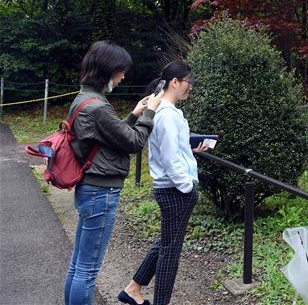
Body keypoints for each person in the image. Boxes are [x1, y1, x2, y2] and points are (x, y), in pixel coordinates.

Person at [65, 41, 161, 305]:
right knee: (87, 269)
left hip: (89, 188)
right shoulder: (98, 107)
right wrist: (150, 113)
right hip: (101, 192)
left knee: (78, 265)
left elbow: (110, 136)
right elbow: (133, 142)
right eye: (120, 71)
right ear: (107, 70)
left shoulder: (84, 100)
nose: (123, 77)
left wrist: (133, 115)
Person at [119, 61, 208, 305]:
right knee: (171, 252)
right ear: (175, 82)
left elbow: (171, 150)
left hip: (170, 188)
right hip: (175, 190)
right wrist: (187, 186)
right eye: (189, 82)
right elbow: (169, 158)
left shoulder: (165, 111)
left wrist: (190, 151)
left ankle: (133, 288)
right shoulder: (167, 114)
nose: (190, 87)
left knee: (167, 242)